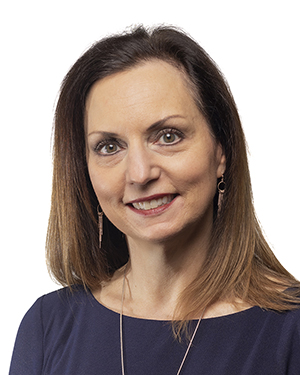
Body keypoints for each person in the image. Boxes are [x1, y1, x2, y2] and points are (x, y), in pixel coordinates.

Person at [9, 25, 300, 375]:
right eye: (109, 146)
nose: (140, 173)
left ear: (221, 150)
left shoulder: (290, 329)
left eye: (167, 136)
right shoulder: (47, 326)